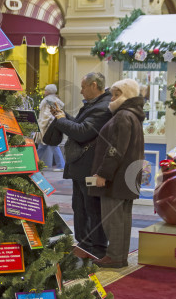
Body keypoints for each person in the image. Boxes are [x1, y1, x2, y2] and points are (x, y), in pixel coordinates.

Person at [43, 72, 112, 258]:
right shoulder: (94, 105)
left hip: (91, 168)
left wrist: (61, 119)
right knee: (80, 207)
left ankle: (97, 249)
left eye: (83, 87)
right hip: (81, 167)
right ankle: (85, 245)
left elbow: (82, 132)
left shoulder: (103, 108)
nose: (81, 91)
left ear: (94, 85)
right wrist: (64, 116)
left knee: (92, 209)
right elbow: (80, 125)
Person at [88, 79, 145, 268]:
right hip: (126, 177)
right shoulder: (133, 115)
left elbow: (115, 149)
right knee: (122, 218)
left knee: (113, 219)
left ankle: (115, 257)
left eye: (116, 94)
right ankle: (119, 256)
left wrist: (103, 174)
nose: (112, 98)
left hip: (116, 177)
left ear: (127, 94)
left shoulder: (122, 116)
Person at [37, 84, 65, 172]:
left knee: (51, 146)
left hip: (47, 128)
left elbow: (46, 114)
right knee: (43, 146)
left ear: (49, 91)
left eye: (46, 90)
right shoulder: (55, 100)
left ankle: (61, 165)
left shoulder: (48, 100)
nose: (44, 92)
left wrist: (41, 124)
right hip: (51, 127)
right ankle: (34, 164)